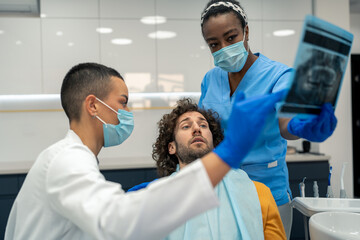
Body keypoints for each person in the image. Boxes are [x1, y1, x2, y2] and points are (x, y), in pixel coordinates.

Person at [5, 63, 285, 240]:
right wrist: (230, 152)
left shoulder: (255, 192)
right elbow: (120, 223)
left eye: (203, 125)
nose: (127, 113)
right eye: (122, 102)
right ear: (93, 106)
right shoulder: (67, 160)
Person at [198, 1, 338, 238]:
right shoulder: (210, 79)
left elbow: (286, 123)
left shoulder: (279, 75)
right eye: (214, 44)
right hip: (224, 191)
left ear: (246, 32)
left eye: (231, 38)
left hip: (268, 193)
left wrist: (301, 126)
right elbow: (206, 131)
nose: (223, 47)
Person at [129, 98, 286, 239]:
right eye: (186, 126)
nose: (197, 128)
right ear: (172, 147)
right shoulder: (154, 200)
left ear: (214, 142)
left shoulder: (258, 194)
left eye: (203, 125)